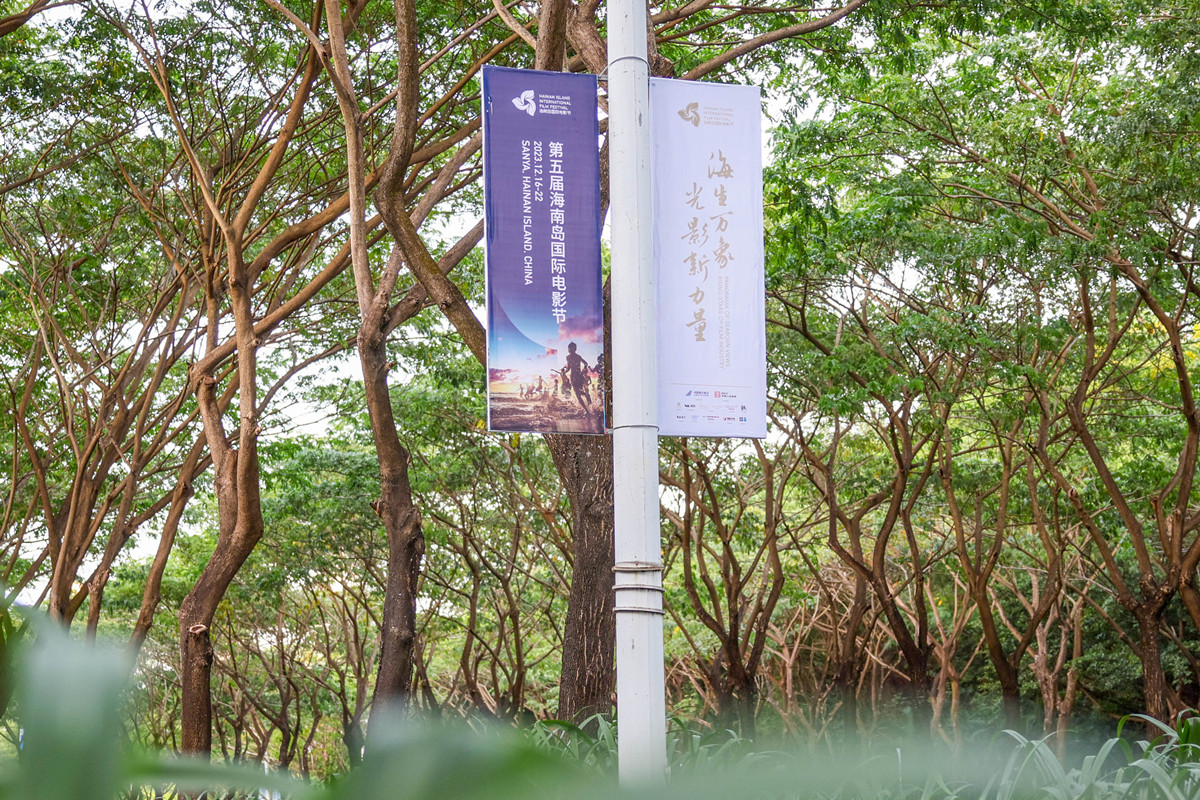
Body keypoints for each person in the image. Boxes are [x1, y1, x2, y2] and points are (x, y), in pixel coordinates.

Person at [564, 342, 595, 415]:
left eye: (569, 348)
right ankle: (587, 397)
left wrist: (564, 372)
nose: (569, 350)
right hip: (580, 376)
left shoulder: (568, 357)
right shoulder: (578, 357)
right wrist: (583, 371)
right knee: (580, 392)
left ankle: (587, 411)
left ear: (570, 349)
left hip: (574, 376)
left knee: (578, 394)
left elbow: (568, 368)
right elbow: (586, 363)